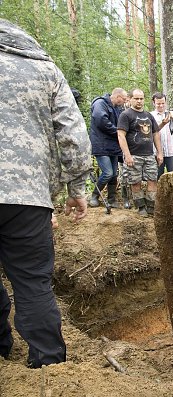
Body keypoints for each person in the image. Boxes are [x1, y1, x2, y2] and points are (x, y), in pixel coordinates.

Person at [0, 18, 92, 368]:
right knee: (31, 280)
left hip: (29, 194)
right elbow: (72, 133)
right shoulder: (44, 68)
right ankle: (50, 365)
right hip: (27, 195)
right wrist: (77, 188)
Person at [117, 88, 163, 216]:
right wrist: (127, 155)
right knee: (135, 181)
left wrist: (160, 153)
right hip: (133, 155)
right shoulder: (125, 115)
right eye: (136, 98)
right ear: (130, 99)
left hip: (149, 155)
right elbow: (121, 135)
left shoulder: (149, 115)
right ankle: (140, 206)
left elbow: (156, 134)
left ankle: (150, 206)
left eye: (141, 98)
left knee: (152, 180)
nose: (139, 101)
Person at [89, 88, 128, 208]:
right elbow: (101, 121)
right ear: (117, 97)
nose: (125, 102)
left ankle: (112, 199)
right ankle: (94, 196)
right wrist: (118, 132)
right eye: (124, 99)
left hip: (113, 146)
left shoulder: (118, 108)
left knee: (114, 174)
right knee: (107, 172)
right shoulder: (100, 104)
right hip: (101, 145)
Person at [150, 92, 173, 179]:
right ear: (154, 103)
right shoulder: (150, 116)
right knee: (157, 177)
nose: (161, 106)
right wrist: (162, 124)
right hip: (156, 153)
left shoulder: (171, 113)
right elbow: (150, 133)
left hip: (171, 152)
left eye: (163, 103)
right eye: (158, 104)